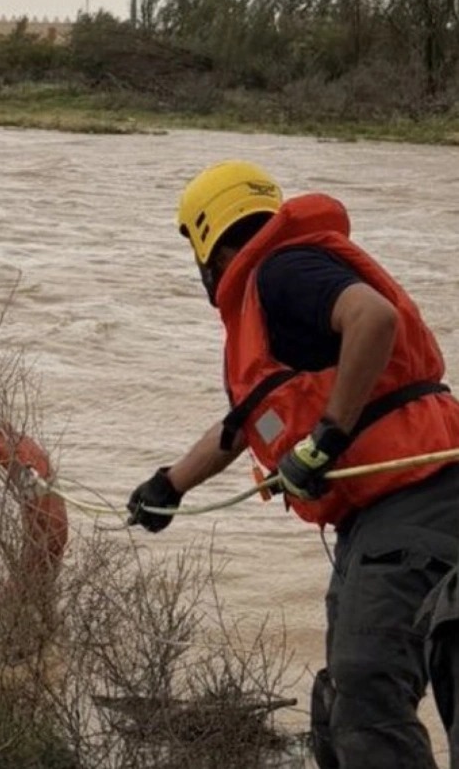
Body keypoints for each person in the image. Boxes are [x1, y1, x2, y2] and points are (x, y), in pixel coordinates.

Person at [125, 160, 459, 768]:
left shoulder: (283, 268)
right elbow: (243, 427)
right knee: (340, 698)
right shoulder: (271, 298)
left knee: (366, 692)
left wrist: (328, 438)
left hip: (419, 500)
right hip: (381, 516)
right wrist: (169, 485)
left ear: (209, 242)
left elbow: (373, 318)